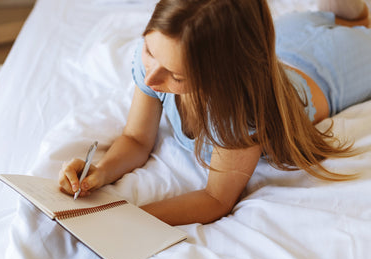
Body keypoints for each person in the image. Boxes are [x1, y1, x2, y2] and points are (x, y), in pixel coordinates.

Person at [59, 0, 371, 225]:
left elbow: (216, 199)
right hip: (285, 43)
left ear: (221, 78)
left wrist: (128, 218)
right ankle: (351, 14)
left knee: (358, 31)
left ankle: (356, 19)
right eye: (149, 51)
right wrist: (100, 172)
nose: (151, 78)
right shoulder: (159, 64)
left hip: (328, 68)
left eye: (176, 76)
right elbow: (137, 139)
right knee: (328, 16)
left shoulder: (241, 115)